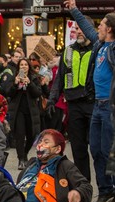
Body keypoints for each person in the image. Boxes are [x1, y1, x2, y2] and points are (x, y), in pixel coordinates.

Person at [65, 0, 115, 202]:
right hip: (97, 105)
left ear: (110, 29)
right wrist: (74, 9)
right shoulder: (99, 45)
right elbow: (87, 28)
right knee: (95, 149)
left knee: (109, 151)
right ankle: (105, 191)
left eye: (102, 25)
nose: (98, 28)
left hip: (111, 107)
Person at [16, 129, 93, 202]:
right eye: (40, 141)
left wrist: (77, 192)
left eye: (46, 142)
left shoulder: (64, 165)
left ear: (57, 149)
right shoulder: (31, 164)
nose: (40, 144)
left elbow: (86, 187)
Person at [47, 18, 94, 183]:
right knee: (78, 147)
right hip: (73, 105)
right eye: (76, 29)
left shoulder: (97, 49)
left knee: (97, 147)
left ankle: (106, 187)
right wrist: (52, 100)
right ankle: (83, 184)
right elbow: (59, 78)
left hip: (93, 103)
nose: (79, 32)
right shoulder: (68, 50)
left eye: (81, 28)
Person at [5, 58, 42, 170]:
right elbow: (8, 93)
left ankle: (25, 153)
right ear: (18, 67)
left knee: (32, 135)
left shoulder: (34, 78)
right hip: (18, 111)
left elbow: (37, 93)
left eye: (26, 64)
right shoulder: (14, 78)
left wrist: (29, 84)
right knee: (19, 136)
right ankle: (21, 159)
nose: (24, 66)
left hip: (31, 111)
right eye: (21, 65)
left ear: (29, 66)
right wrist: (15, 84)